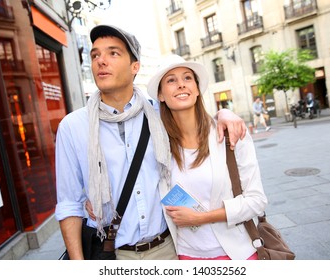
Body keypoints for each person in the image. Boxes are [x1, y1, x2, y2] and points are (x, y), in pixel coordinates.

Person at [55, 24, 246, 260]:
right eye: (95, 55)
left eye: (113, 53)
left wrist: (223, 114)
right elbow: (69, 205)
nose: (101, 61)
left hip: (168, 248)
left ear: (135, 66)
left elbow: (194, 120)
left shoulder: (159, 114)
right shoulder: (72, 127)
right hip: (112, 253)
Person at [146, 54, 268, 260]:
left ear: (196, 88)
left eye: (187, 78)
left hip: (236, 253)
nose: (181, 85)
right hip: (186, 255)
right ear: (161, 95)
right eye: (171, 80)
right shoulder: (157, 146)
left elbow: (257, 201)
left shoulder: (230, 134)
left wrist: (201, 218)